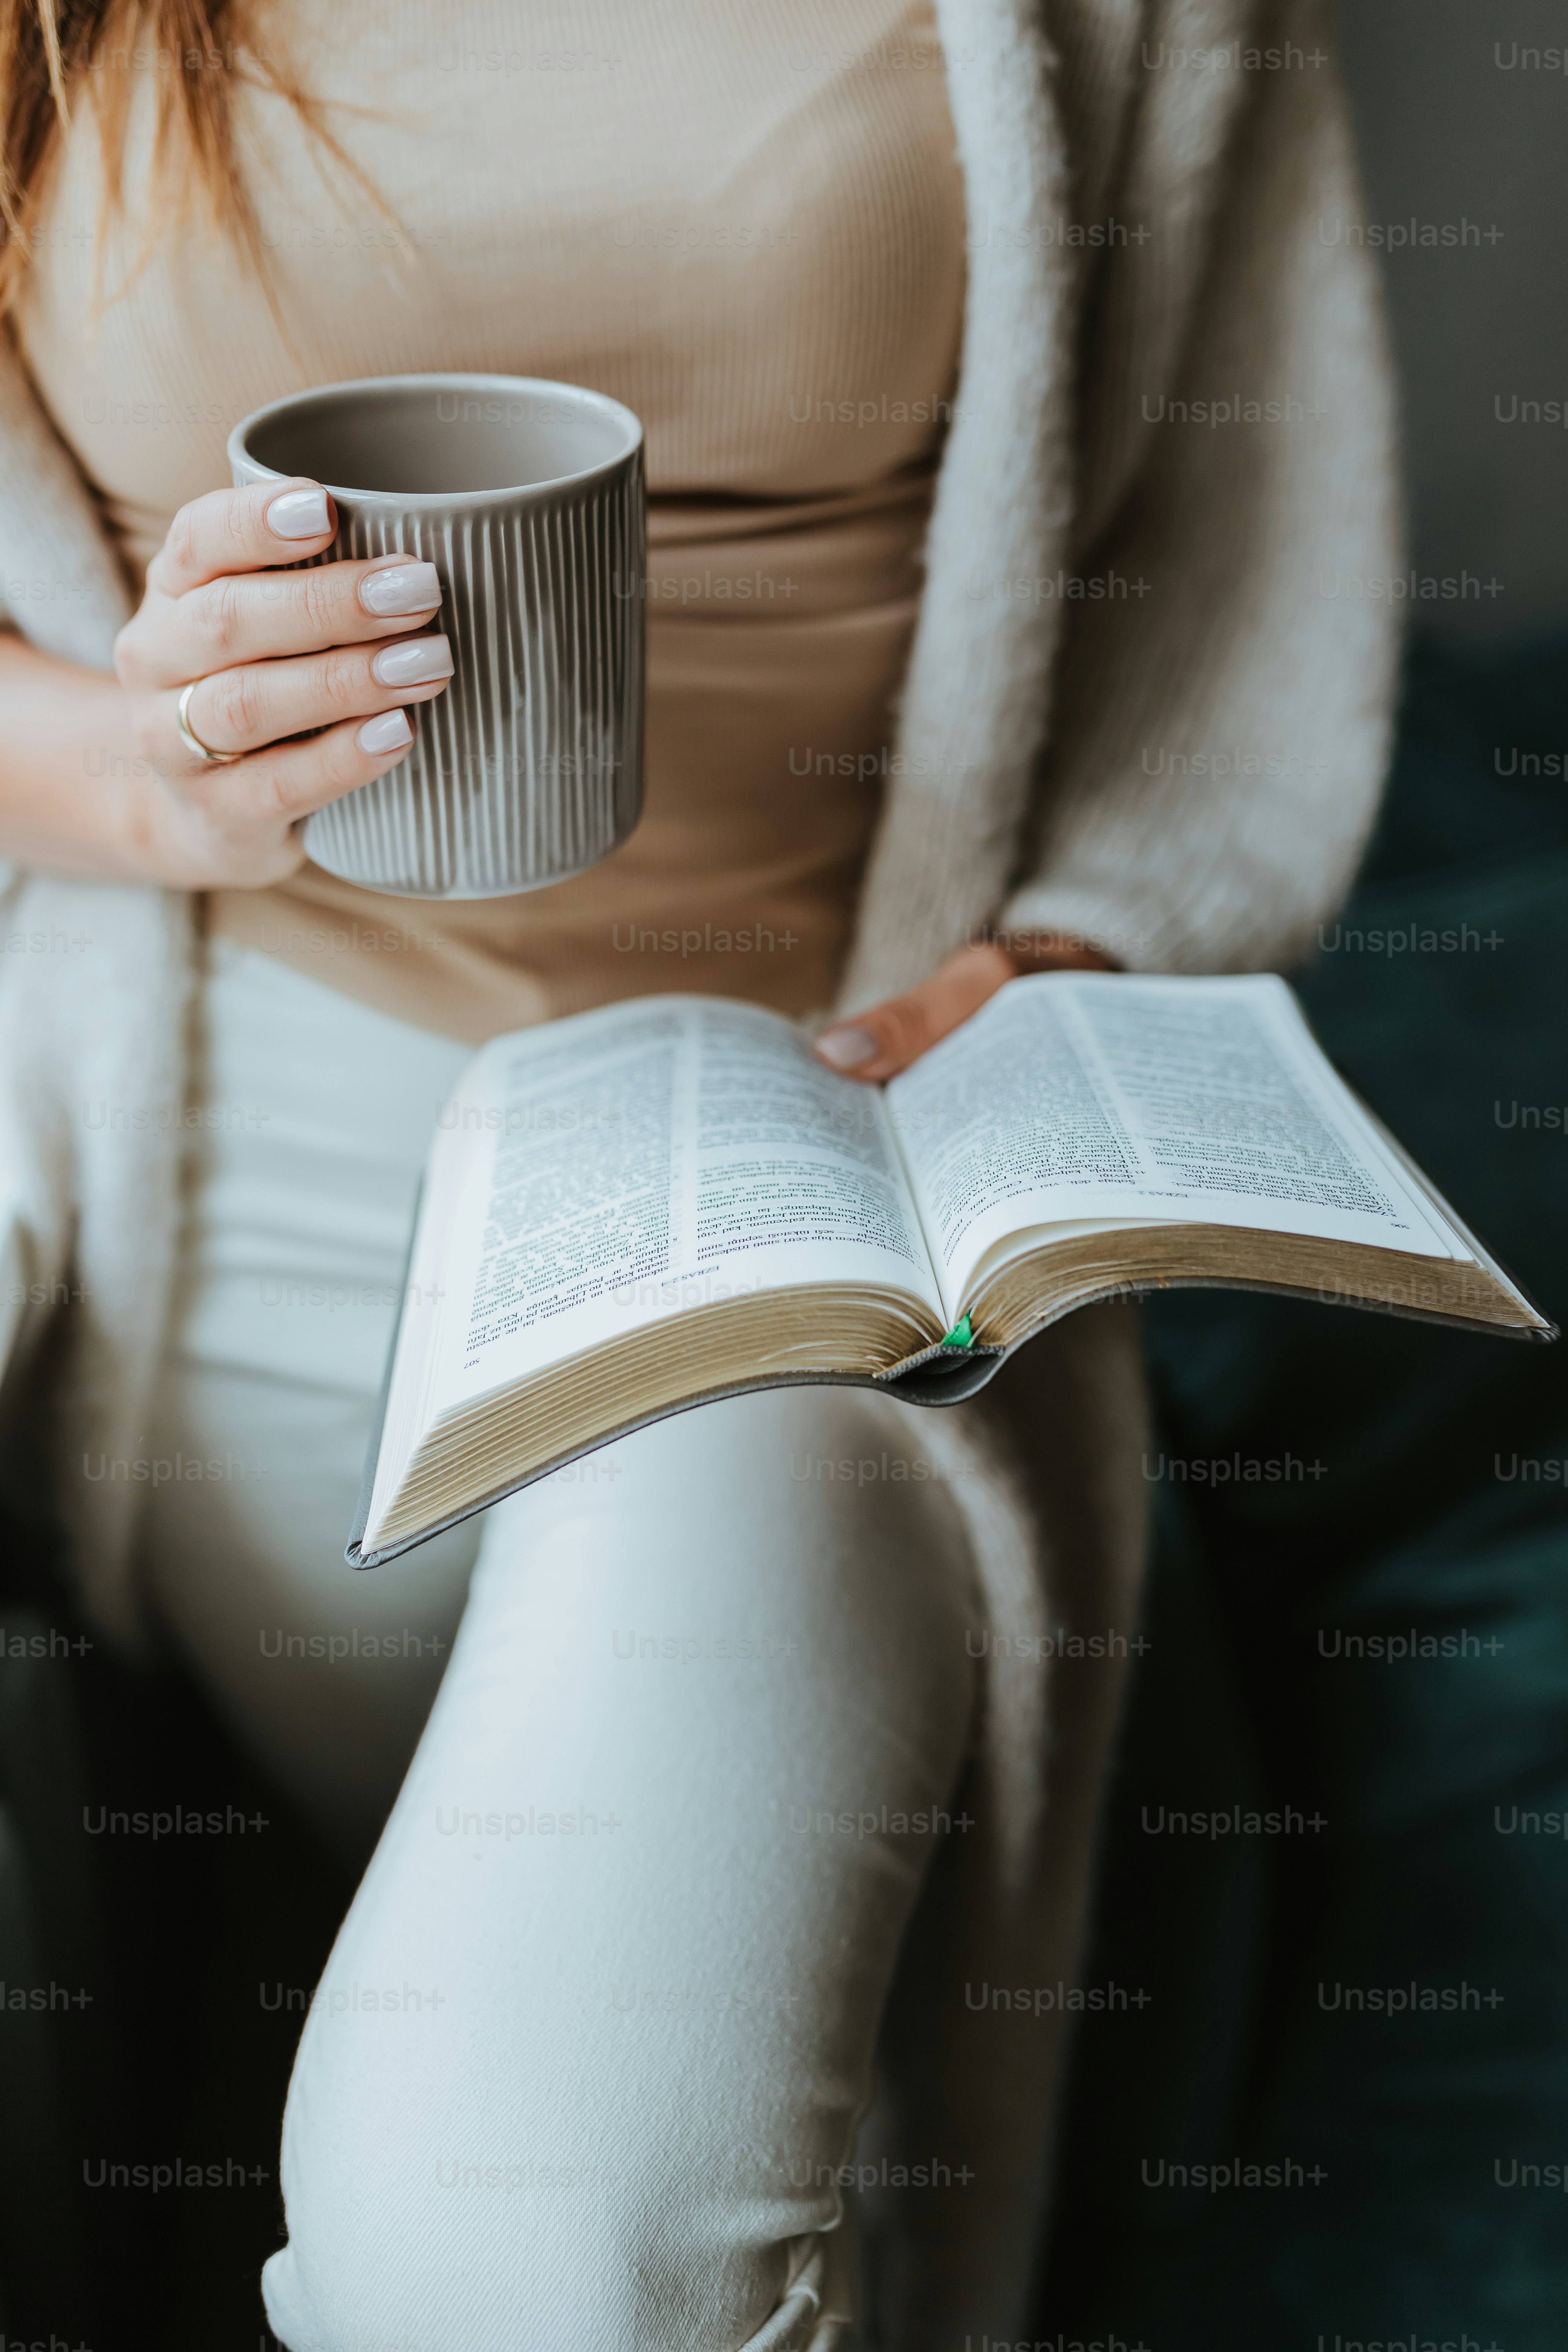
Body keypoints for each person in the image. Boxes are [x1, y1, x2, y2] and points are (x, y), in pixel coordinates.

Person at [0, 2, 1400, 2344]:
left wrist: (1075, 952)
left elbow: (1246, 560)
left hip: (812, 1172)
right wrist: (151, 775)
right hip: (201, 1192)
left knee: (541, 2244)